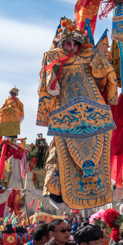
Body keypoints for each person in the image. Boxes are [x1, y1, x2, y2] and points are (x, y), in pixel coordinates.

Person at [37, 18, 118, 210]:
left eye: (76, 43)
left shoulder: (90, 55)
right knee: (59, 150)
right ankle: (56, 189)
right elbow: (48, 89)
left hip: (93, 110)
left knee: (95, 148)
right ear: (61, 43)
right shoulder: (53, 57)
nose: (72, 47)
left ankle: (95, 187)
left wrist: (113, 96)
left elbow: (108, 75)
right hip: (65, 111)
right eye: (68, 43)